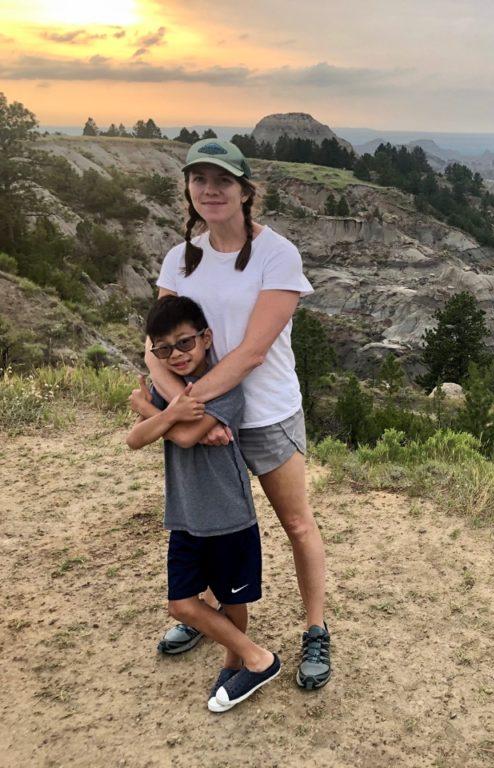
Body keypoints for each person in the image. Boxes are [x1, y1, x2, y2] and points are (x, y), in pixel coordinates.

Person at [133, 137, 331, 690]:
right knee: (209, 527)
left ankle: (315, 628)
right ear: (189, 190)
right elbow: (155, 345)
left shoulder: (277, 254)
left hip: (264, 413)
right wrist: (184, 408)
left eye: (222, 181)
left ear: (246, 191)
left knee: (295, 522)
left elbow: (252, 351)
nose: (210, 190)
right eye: (199, 180)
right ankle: (217, 623)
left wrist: (188, 407)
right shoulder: (180, 258)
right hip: (199, 421)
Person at [127, 295, 281, 712]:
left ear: (206, 338)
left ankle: (235, 663)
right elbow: (133, 439)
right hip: (186, 515)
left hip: (229, 514)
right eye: (164, 349)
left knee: (233, 599)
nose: (176, 355)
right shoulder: (173, 396)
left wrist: (149, 410)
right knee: (181, 603)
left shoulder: (225, 389)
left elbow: (185, 437)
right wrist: (164, 411)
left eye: (184, 343)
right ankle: (257, 657)